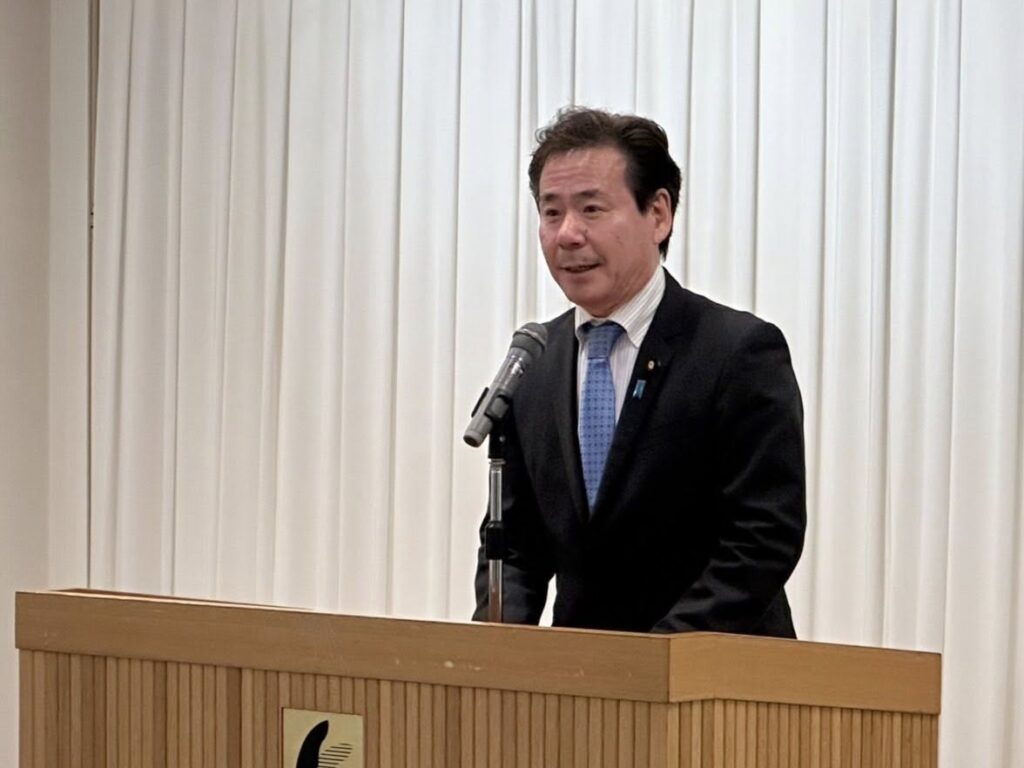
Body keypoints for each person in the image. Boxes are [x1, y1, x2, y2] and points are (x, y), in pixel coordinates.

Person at [472, 107, 806, 636]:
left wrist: (655, 658)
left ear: (658, 215)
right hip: (579, 674)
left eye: (592, 209)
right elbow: (515, 547)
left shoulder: (737, 352)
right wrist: (499, 655)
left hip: (713, 671)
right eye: (552, 212)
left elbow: (762, 538)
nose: (568, 234)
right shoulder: (535, 363)